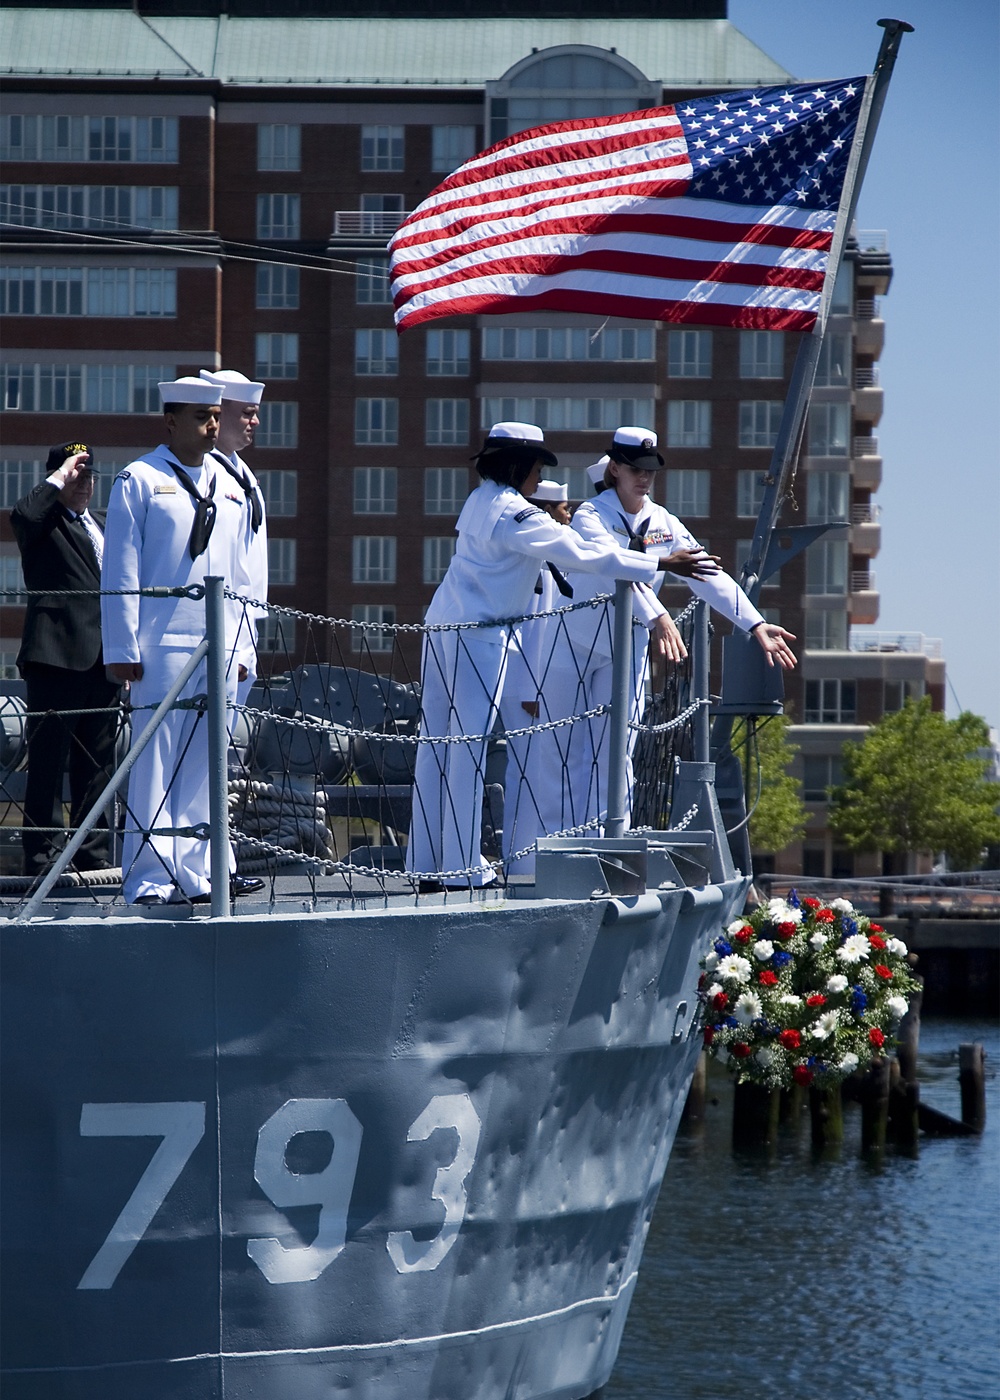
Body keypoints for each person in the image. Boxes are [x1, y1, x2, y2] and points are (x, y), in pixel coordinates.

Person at [405, 422, 687, 892]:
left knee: (438, 746)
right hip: (480, 637)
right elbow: (584, 554)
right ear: (518, 466)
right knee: (469, 751)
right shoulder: (519, 515)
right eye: (536, 468)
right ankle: (457, 868)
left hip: (445, 627)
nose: (539, 479)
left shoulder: (480, 498)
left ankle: (429, 861)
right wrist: (658, 562)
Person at [548, 425, 797, 833]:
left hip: (624, 643)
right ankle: (556, 843)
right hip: (573, 642)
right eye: (633, 469)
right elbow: (614, 567)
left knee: (618, 749)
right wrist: (658, 615)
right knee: (562, 752)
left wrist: (755, 624)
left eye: (650, 470)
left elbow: (708, 574)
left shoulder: (663, 521)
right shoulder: (591, 516)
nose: (643, 478)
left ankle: (611, 839)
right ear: (614, 470)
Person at [100, 378, 263, 906]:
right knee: (155, 761)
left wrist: (241, 647)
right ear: (170, 422)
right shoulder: (140, 479)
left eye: (216, 415)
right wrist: (123, 647)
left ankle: (199, 874)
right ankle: (148, 877)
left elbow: (239, 577)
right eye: (200, 416)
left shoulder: (232, 482)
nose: (212, 425)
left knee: (205, 764)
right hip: (159, 643)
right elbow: (120, 567)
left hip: (217, 643)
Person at [10, 442, 121, 876]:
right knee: (48, 763)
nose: (85, 483)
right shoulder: (43, 522)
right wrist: (59, 477)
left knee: (97, 765)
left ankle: (91, 855)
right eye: (77, 475)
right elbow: (22, 514)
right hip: (55, 657)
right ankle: (43, 858)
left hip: (103, 659)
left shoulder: (103, 525)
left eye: (90, 475)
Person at [499, 479, 573, 874]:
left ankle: (524, 862)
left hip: (531, 681)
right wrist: (532, 689)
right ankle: (524, 866)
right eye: (562, 508)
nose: (569, 513)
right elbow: (533, 629)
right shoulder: (538, 564)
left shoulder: (546, 559)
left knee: (530, 773)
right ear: (545, 511)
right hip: (526, 684)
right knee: (530, 774)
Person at [199, 368, 268, 706]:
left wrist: (247, 637)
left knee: (222, 740)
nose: (254, 422)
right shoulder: (203, 473)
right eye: (247, 413)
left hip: (244, 622)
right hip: (215, 621)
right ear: (220, 411)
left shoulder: (244, 474)